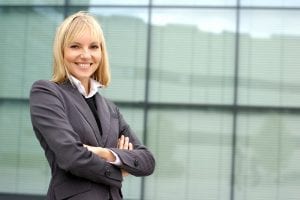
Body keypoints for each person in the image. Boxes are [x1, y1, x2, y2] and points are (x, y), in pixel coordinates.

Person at [29, 11, 155, 200]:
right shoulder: (47, 93)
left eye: (94, 47)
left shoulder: (111, 109)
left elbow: (147, 161)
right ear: (61, 51)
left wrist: (105, 153)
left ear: (101, 52)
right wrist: (120, 170)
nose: (85, 55)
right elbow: (71, 156)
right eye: (75, 46)